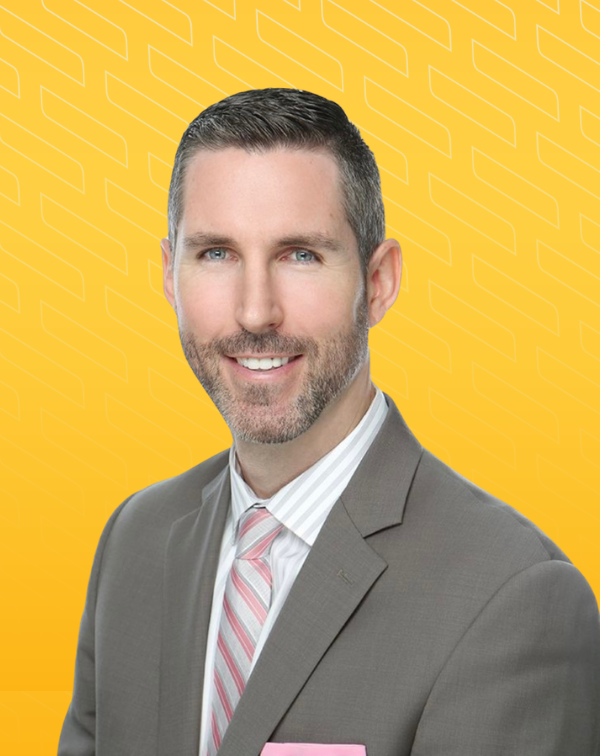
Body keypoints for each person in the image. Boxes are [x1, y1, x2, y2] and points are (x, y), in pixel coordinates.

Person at [58, 88, 600, 756]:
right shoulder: (132, 544)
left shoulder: (517, 601)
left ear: (378, 283)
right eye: (217, 254)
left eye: (301, 255)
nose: (255, 313)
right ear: (170, 275)